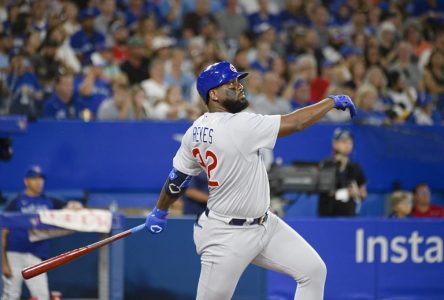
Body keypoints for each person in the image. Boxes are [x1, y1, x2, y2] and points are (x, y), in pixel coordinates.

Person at [145, 61, 356, 299]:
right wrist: (330, 102)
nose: (239, 86)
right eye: (231, 83)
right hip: (226, 235)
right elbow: (296, 122)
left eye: (238, 80)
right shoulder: (239, 124)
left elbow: (177, 179)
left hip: (265, 225)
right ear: (213, 94)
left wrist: (160, 210)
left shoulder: (195, 131)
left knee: (313, 271)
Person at [2, 165, 82, 300]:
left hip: (36, 255)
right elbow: (3, 231)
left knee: (42, 296)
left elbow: (70, 206)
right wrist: (4, 262)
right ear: (26, 181)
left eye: (41, 178)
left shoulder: (50, 200)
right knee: (11, 295)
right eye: (34, 178)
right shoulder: (15, 201)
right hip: (13, 254)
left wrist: (75, 205)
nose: (39, 182)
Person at [318, 128, 367, 217]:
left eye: (350, 142)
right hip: (327, 216)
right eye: (344, 142)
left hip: (349, 216)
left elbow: (363, 193)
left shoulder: (355, 167)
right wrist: (338, 193)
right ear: (335, 144)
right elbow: (321, 188)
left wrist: (355, 192)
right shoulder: (326, 164)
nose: (348, 145)